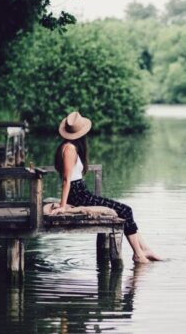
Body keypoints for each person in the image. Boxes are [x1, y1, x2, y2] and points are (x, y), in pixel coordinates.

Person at [52, 111, 161, 263]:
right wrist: (63, 206)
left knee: (125, 211)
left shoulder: (71, 147)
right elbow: (66, 179)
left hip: (81, 192)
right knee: (126, 210)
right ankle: (138, 254)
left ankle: (144, 249)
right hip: (77, 194)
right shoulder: (70, 148)